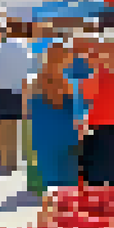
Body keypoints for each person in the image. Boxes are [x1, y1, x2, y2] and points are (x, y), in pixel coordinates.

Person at [29, 43, 80, 189]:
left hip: (44, 131)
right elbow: (58, 102)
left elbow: (30, 108)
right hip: (59, 132)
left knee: (47, 167)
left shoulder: (38, 77)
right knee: (61, 174)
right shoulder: (60, 78)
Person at [78, 41, 114, 187]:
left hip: (95, 131)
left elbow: (84, 103)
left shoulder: (91, 80)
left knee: (93, 179)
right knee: (113, 179)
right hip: (112, 131)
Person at [0, 22, 32, 172]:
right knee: (13, 125)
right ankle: (12, 160)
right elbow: (27, 72)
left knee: (2, 125)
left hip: (0, 89)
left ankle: (3, 158)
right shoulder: (23, 48)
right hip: (17, 89)